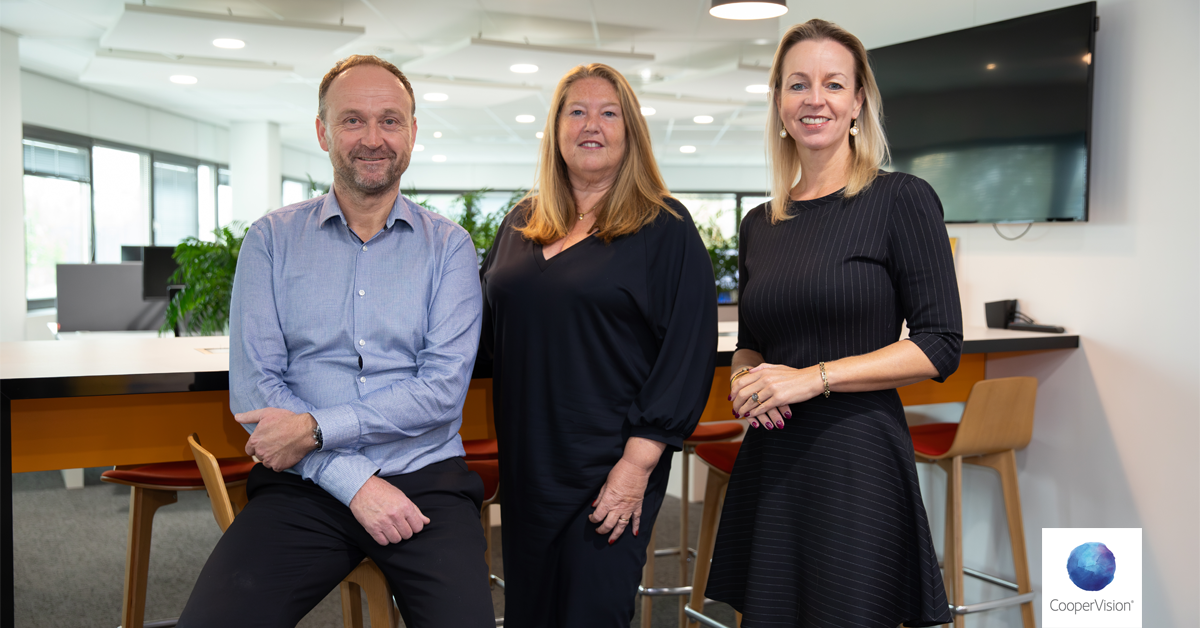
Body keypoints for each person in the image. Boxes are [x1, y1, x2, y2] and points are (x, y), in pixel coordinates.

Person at [176, 55, 494, 628]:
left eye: (390, 121)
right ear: (323, 132)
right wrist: (354, 482)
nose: (373, 138)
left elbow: (442, 391)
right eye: (352, 120)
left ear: (412, 133)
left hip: (425, 480)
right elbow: (255, 390)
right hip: (304, 483)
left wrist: (315, 428)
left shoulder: (450, 247)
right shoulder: (270, 241)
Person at [705, 19, 961, 628]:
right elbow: (752, 344)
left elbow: (940, 344)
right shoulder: (760, 223)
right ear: (779, 102)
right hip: (774, 456)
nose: (813, 99)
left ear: (858, 102)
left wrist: (811, 378)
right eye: (798, 84)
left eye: (833, 84)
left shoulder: (901, 198)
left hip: (857, 456)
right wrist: (745, 379)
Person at [479, 63, 718, 627]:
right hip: (529, 463)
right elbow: (481, 329)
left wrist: (636, 466)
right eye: (577, 111)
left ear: (630, 130)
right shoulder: (520, 223)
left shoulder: (665, 226)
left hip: (613, 464)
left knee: (593, 612)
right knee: (530, 612)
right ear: (556, 129)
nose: (592, 124)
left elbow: (687, 353)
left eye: (609, 113)